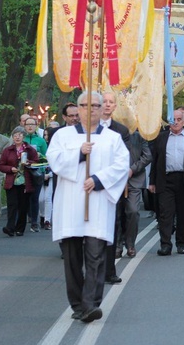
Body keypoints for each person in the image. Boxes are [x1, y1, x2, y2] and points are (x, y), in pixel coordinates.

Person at [46, 91, 129, 323]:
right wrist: (79, 154)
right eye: (85, 105)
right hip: (71, 204)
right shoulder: (62, 136)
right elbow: (54, 161)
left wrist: (99, 179)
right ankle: (77, 303)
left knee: (96, 255)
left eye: (95, 105)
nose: (89, 109)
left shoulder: (112, 138)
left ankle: (91, 303)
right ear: (78, 109)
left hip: (98, 203)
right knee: (72, 257)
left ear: (102, 108)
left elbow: (122, 165)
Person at [149, 110, 184, 255]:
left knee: (183, 213)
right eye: (173, 119)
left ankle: (181, 242)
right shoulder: (161, 138)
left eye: (179, 119)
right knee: (165, 214)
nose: (176, 122)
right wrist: (152, 181)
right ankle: (165, 244)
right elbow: (155, 161)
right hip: (165, 180)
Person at [100, 92, 131, 284]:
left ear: (115, 107)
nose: (107, 105)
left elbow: (125, 157)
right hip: (91, 185)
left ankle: (109, 270)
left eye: (111, 102)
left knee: (112, 227)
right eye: (104, 101)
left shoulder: (121, 130)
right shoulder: (89, 129)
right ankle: (93, 269)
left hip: (112, 186)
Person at [0, 126, 39, 236]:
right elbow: (1, 165)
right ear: (12, 137)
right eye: (15, 135)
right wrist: (10, 169)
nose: (17, 137)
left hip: (26, 182)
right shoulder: (8, 150)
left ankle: (20, 228)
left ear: (24, 137)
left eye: (20, 135)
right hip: (12, 181)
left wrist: (28, 163)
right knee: (12, 205)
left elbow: (36, 162)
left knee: (23, 205)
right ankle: (10, 227)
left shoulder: (30, 149)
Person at [122, 130, 151, 257]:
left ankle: (130, 243)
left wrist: (133, 169)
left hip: (134, 181)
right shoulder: (113, 133)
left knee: (133, 211)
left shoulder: (139, 136)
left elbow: (147, 156)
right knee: (117, 214)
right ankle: (117, 244)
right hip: (115, 180)